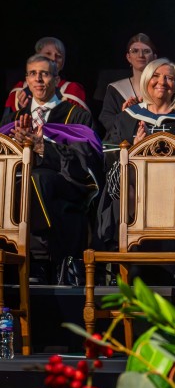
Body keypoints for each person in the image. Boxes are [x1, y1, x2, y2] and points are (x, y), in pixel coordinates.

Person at [1, 54, 102, 284]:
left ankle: (39, 261)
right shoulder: (14, 120)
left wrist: (41, 147)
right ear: (26, 79)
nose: (38, 79)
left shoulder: (76, 116)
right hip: (18, 189)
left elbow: (85, 163)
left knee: (37, 180)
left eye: (45, 74)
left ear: (57, 80)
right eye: (33, 74)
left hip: (66, 187)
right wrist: (18, 148)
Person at [101, 58, 175, 250]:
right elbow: (111, 165)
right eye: (156, 76)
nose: (162, 82)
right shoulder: (127, 119)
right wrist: (133, 154)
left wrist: (146, 157)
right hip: (133, 200)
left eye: (169, 78)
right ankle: (123, 256)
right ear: (145, 80)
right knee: (124, 193)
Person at [5, 37, 89, 114]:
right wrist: (22, 110)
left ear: (63, 63)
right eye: (48, 54)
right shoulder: (19, 90)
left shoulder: (72, 89)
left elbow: (81, 125)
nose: (53, 59)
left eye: (59, 56)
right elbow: (6, 125)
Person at [97, 33, 157, 135]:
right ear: (128, 57)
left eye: (146, 51)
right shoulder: (115, 89)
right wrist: (126, 116)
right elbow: (107, 121)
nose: (140, 55)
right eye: (135, 51)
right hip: (123, 144)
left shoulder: (162, 88)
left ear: (154, 57)